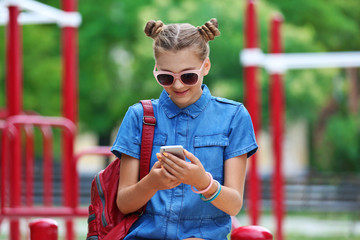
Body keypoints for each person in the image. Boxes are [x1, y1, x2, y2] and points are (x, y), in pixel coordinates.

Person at [111, 18, 258, 240]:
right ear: (156, 70)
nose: (178, 85)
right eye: (166, 77)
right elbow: (124, 203)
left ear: (205, 66)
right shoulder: (138, 116)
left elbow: (234, 205)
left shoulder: (234, 116)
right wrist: (153, 183)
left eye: (188, 76)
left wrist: (203, 182)